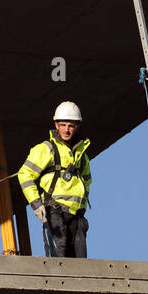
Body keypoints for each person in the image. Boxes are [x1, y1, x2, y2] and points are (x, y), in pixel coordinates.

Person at [17, 101, 91, 259]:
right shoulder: (46, 149)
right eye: (63, 125)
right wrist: (37, 205)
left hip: (77, 217)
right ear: (56, 125)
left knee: (82, 269)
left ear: (77, 126)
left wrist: (82, 203)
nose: (66, 129)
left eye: (70, 125)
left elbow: (87, 182)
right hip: (55, 211)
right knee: (59, 263)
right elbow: (25, 174)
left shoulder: (82, 155)